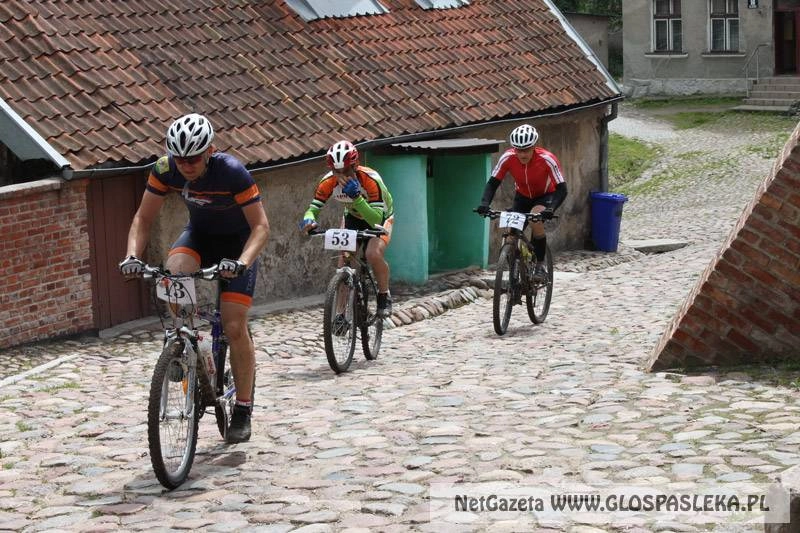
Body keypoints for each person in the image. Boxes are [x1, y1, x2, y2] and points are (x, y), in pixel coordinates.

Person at [118, 113, 269, 444]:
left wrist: (242, 262)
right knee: (174, 269)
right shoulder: (163, 169)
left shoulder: (231, 171)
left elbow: (261, 226)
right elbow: (143, 218)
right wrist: (131, 255)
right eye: (180, 158)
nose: (186, 165)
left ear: (210, 151)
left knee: (233, 326)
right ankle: (181, 341)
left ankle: (243, 409)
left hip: (237, 244)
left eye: (194, 158)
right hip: (199, 236)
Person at [299, 140, 395, 317]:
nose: (342, 176)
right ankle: (341, 313)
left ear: (355, 165)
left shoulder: (371, 179)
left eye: (346, 171)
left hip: (380, 217)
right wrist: (308, 220)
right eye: (337, 171)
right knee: (344, 260)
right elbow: (313, 208)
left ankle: (384, 294)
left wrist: (357, 198)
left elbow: (375, 218)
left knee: (372, 254)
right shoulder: (328, 181)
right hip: (352, 217)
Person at [476, 123, 567, 281]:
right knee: (511, 236)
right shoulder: (508, 158)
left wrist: (551, 209)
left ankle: (539, 265)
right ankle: (515, 274)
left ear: (534, 147)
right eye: (518, 150)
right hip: (522, 197)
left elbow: (562, 189)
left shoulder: (547, 159)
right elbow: (492, 183)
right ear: (514, 148)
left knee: (534, 219)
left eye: (526, 149)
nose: (522, 154)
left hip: (545, 196)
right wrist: (484, 204)